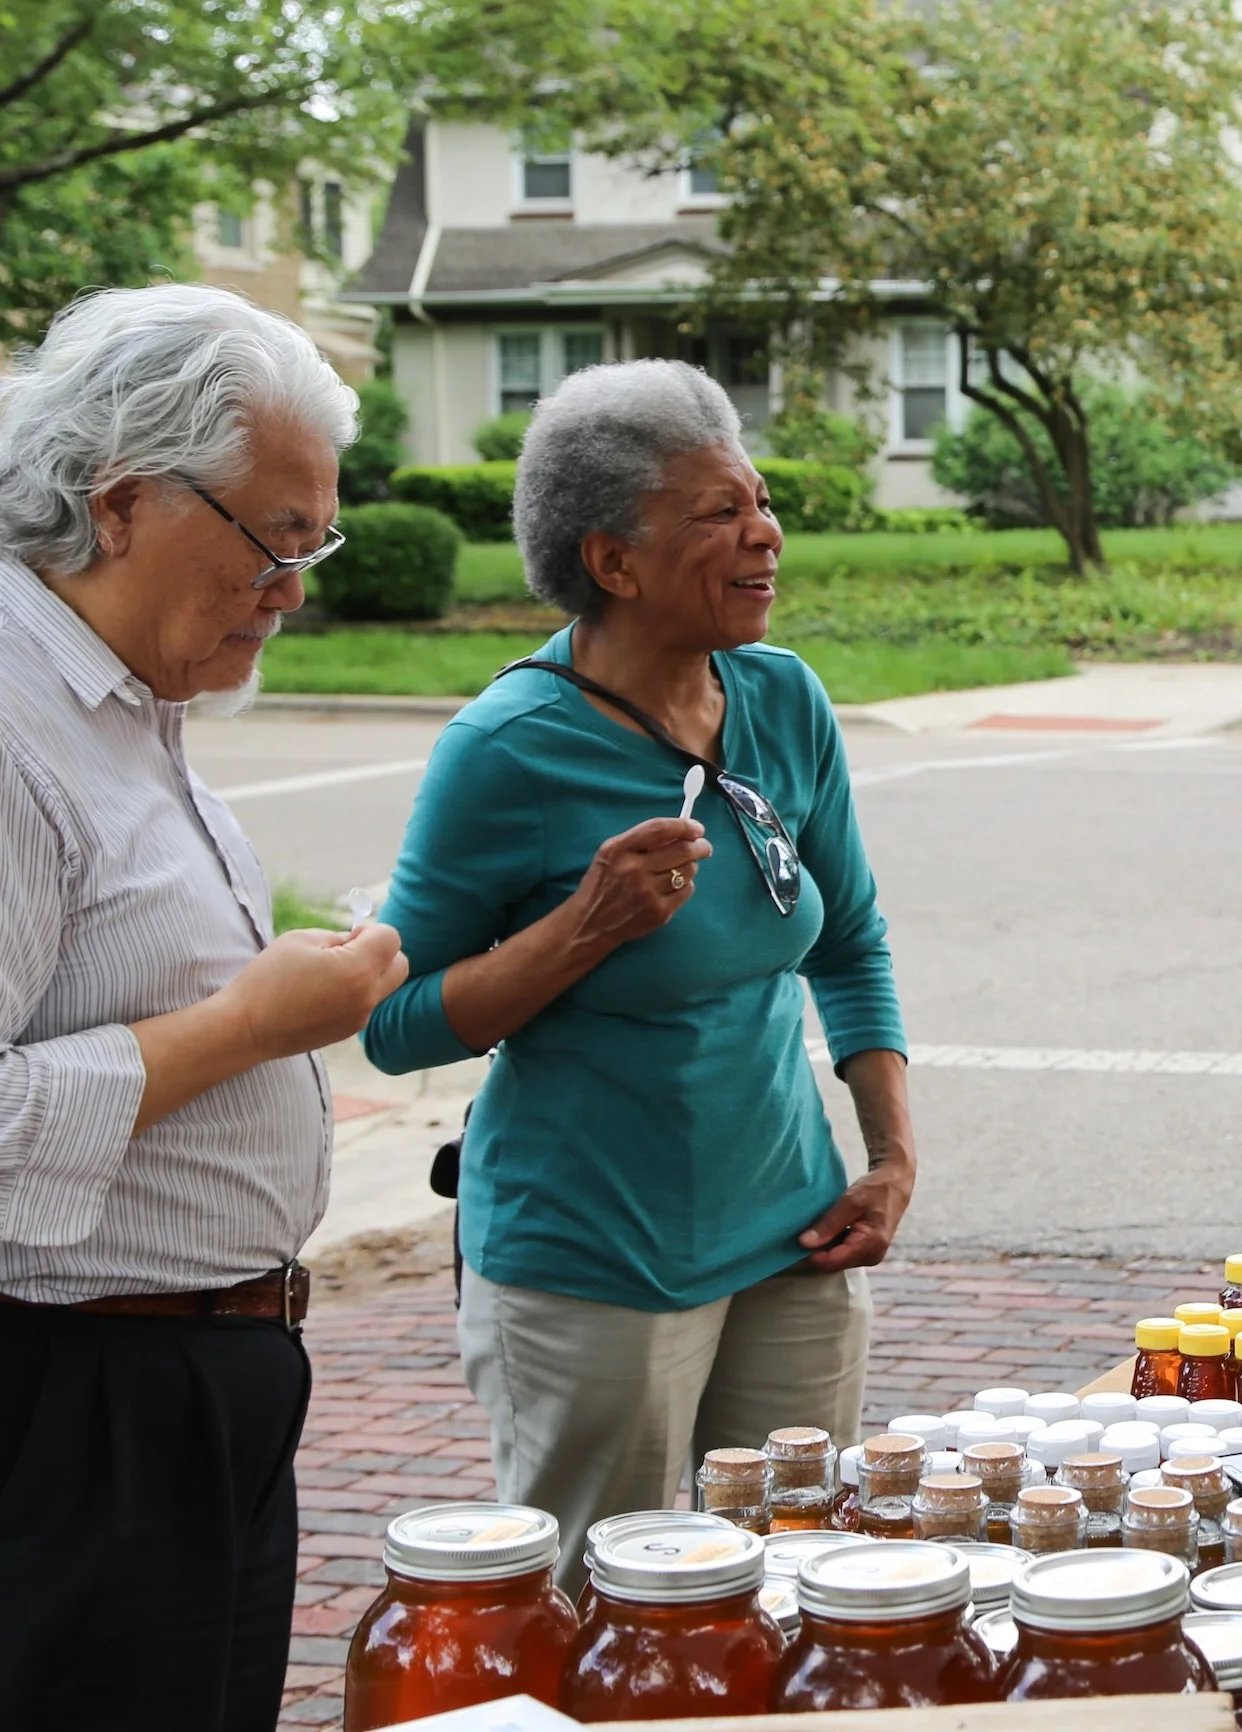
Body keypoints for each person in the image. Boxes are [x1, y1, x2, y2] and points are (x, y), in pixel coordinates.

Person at [0, 284, 410, 1731]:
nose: (295, 590)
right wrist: (247, 1024)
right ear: (119, 504)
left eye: (317, 541)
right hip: (26, 1397)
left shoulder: (100, 688)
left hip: (123, 1379)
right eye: (275, 540)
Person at [362, 360, 911, 1593]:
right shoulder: (507, 748)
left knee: (799, 1583)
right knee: (584, 1609)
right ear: (611, 561)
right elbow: (393, 1025)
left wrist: (889, 1157)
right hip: (594, 1263)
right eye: (719, 513)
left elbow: (851, 939)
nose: (765, 533)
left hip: (794, 1240)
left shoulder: (779, 696)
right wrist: (583, 927)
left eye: (759, 501)